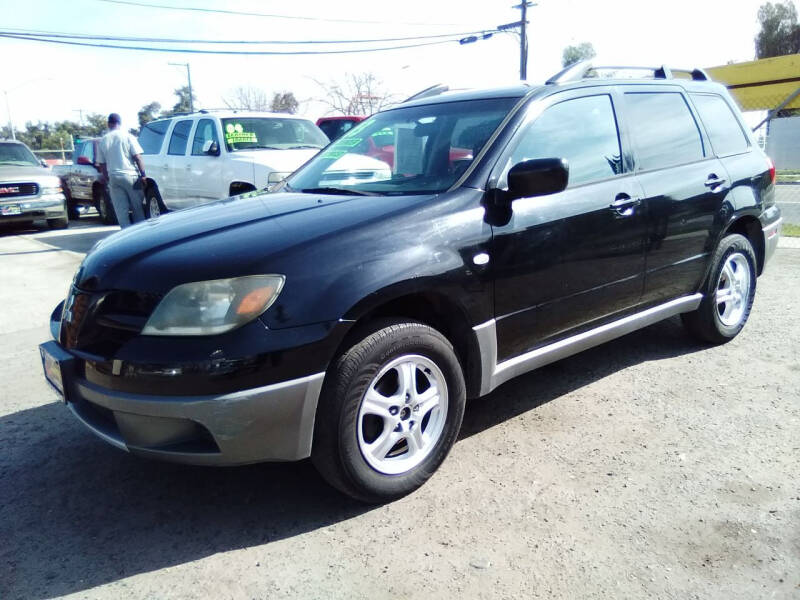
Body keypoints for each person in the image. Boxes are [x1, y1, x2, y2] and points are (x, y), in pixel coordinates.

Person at [96, 113, 147, 227]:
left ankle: (125, 237)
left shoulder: (103, 140)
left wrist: (107, 178)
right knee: (137, 208)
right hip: (130, 176)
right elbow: (137, 157)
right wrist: (143, 175)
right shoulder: (128, 136)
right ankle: (140, 237)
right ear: (120, 123)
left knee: (121, 211)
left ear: (109, 124)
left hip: (113, 176)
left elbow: (102, 163)